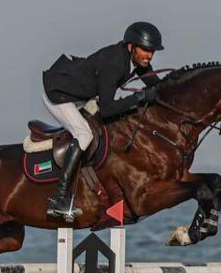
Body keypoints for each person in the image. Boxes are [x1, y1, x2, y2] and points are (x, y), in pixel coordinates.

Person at [40, 22, 165, 220]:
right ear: (131, 47)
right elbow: (107, 110)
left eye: (152, 51)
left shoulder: (135, 60)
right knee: (84, 134)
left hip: (80, 93)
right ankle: (59, 199)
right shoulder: (114, 64)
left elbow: (158, 87)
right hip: (59, 95)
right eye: (145, 50)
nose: (149, 55)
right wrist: (139, 98)